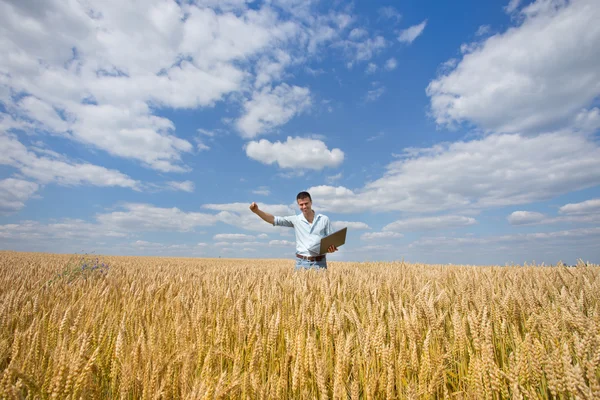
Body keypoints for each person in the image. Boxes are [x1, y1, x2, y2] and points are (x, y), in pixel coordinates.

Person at [249, 191, 337, 269]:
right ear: (298, 205)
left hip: (320, 263)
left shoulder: (324, 219)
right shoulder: (296, 220)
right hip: (301, 263)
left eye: (306, 203)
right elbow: (274, 219)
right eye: (301, 204)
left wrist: (331, 248)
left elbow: (332, 240)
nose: (304, 206)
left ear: (311, 202)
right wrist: (257, 211)